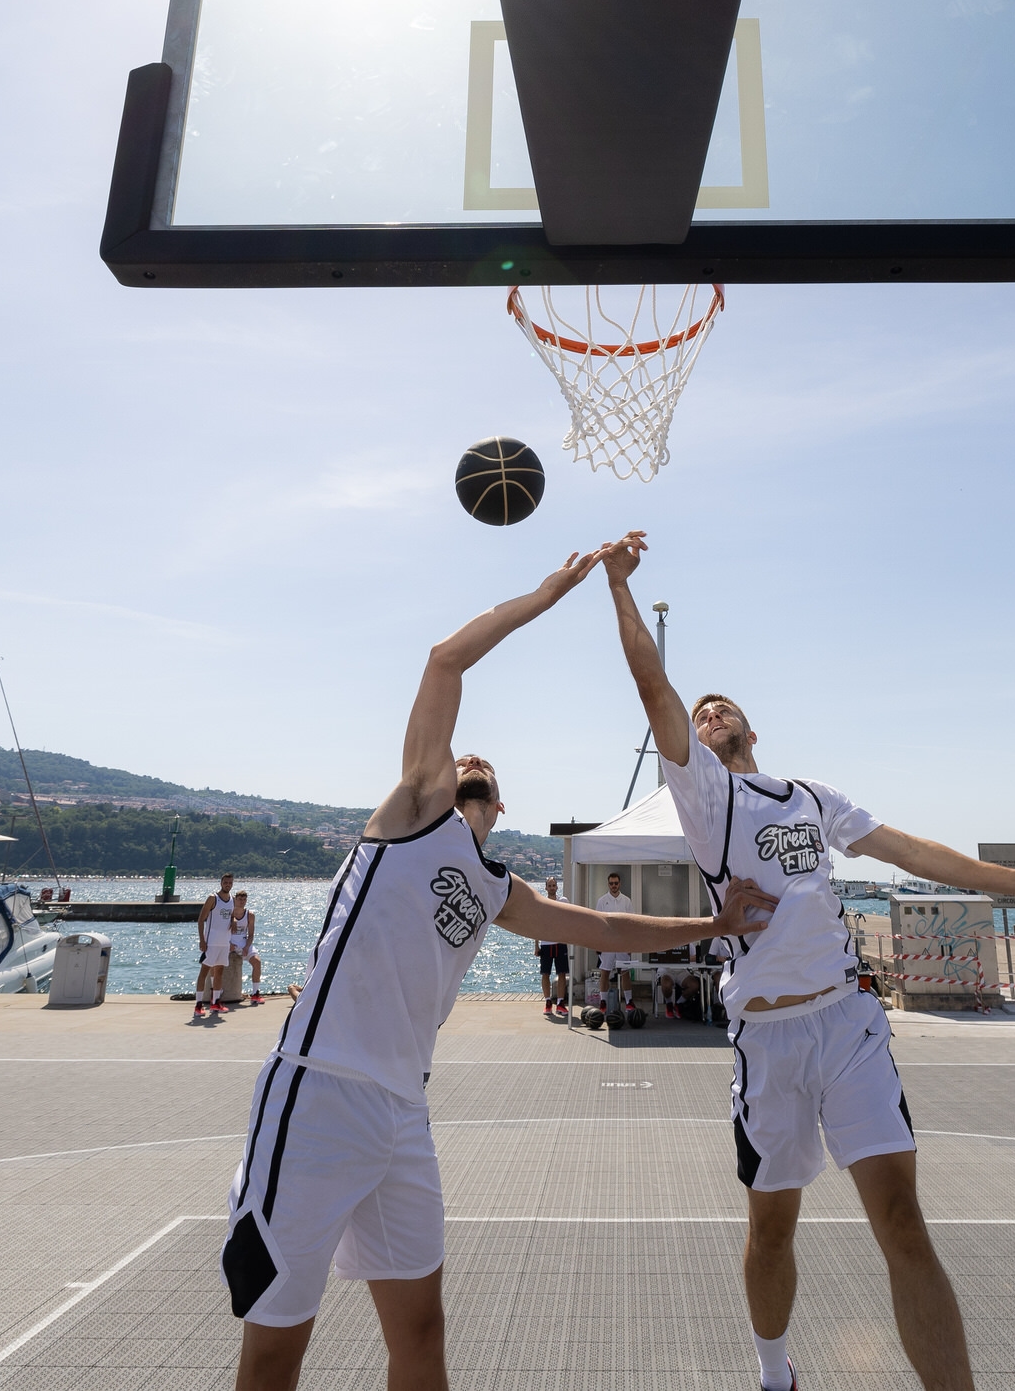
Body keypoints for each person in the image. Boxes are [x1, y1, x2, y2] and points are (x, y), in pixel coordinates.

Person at [219, 549, 779, 1391]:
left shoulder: (493, 887)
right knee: (277, 1343)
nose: (469, 761)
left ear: (501, 805)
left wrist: (715, 921)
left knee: (422, 1330)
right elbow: (445, 658)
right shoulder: (413, 809)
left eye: (485, 768)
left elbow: (600, 923)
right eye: (462, 758)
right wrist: (554, 593)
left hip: (401, 1112)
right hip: (318, 1090)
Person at [600, 531, 1015, 1391]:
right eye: (702, 711)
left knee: (903, 1219)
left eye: (722, 709)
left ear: (753, 727)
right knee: (772, 1230)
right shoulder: (706, 794)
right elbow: (655, 688)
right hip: (768, 1036)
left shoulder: (811, 796)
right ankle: (773, 1375)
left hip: (848, 1019)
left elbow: (911, 849)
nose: (708, 715)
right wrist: (617, 587)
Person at [593, 871, 638, 1022]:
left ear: (620, 884)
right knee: (605, 972)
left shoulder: (626, 901)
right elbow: (598, 924)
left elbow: (631, 923)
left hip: (622, 942)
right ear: (608, 884)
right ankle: (603, 1001)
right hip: (607, 943)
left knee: (624, 972)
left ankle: (629, 1001)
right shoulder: (602, 901)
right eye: (611, 883)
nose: (613, 886)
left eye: (616, 883)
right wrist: (598, 943)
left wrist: (630, 943)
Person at [197, 872, 238, 1020]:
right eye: (226, 882)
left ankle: (215, 1002)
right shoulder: (213, 898)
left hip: (224, 942)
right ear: (221, 883)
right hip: (211, 941)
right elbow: (201, 920)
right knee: (205, 971)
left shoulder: (232, 899)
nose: (228, 885)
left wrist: (233, 920)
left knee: (219, 971)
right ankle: (198, 1004)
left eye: (230, 882)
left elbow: (231, 915)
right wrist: (202, 940)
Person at [535, 875, 570, 1018]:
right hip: (546, 943)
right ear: (545, 888)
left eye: (554, 885)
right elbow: (536, 926)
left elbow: (570, 917)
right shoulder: (541, 903)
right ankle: (548, 1002)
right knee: (545, 974)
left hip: (560, 942)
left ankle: (560, 1003)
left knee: (562, 973)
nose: (552, 888)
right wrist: (536, 945)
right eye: (549, 885)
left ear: (557, 886)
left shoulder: (563, 901)